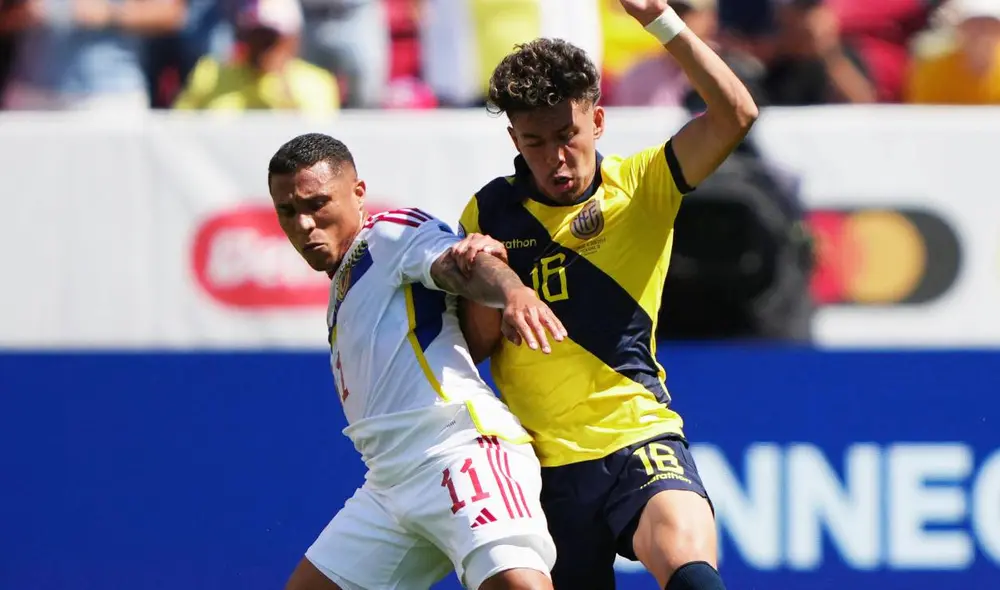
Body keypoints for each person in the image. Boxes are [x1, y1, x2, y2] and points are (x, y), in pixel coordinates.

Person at [452, 0, 758, 589]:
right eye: (534, 142)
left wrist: (661, 20)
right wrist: (493, 285)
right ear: (514, 137)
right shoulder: (489, 211)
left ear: (597, 121)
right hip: (539, 465)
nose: (555, 159)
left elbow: (736, 114)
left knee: (691, 571)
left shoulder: (643, 185)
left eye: (567, 135)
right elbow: (476, 345)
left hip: (637, 435)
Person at [269, 133, 565, 590]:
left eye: (317, 203)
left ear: (358, 193)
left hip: (458, 452)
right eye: (287, 211)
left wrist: (513, 292)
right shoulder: (344, 281)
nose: (304, 223)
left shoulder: (387, 234)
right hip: (389, 485)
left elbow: (461, 263)